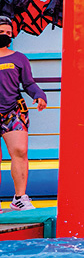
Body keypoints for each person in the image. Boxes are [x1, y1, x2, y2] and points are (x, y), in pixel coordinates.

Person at [0, 16, 47, 212]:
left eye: (8, 33)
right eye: (1, 32)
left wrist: (39, 95)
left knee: (20, 152)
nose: (5, 35)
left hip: (13, 111)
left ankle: (19, 198)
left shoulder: (19, 58)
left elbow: (28, 83)